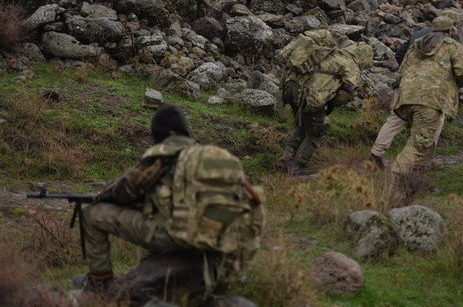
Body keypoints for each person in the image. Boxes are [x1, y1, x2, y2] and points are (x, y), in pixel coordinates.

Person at [77, 104, 261, 296]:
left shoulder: (164, 154)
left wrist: (104, 195)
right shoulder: (209, 156)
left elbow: (124, 192)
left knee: (92, 214)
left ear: (158, 133)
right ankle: (148, 273)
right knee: (157, 214)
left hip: (177, 237)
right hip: (218, 239)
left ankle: (100, 284)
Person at [391, 16, 463, 199]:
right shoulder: (452, 46)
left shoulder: (416, 44)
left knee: (423, 141)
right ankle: (394, 180)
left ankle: (414, 185)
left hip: (407, 96)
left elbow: (402, 68)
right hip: (431, 100)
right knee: (419, 145)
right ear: (450, 30)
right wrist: (457, 82)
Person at [277, 40, 373, 176]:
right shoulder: (351, 64)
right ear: (364, 58)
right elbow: (347, 93)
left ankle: (286, 157)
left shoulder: (332, 53)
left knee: (303, 126)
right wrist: (330, 105)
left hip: (292, 88)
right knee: (314, 134)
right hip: (311, 96)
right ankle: (296, 166)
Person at [370, 26, 433, 169]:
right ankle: (421, 160)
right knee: (431, 122)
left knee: (395, 119)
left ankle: (376, 153)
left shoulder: (419, 33)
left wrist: (407, 70)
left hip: (405, 84)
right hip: (429, 89)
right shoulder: (450, 39)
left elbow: (399, 54)